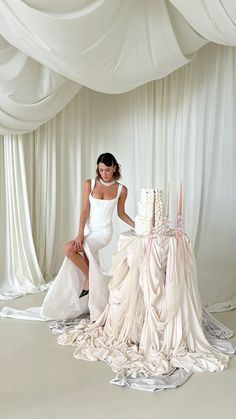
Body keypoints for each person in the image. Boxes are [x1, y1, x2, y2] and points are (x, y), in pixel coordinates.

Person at [41, 153, 134, 321]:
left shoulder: (122, 189)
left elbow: (121, 213)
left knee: (69, 249)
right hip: (88, 231)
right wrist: (79, 233)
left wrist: (138, 225)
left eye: (107, 169)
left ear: (114, 167)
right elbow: (84, 210)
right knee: (70, 248)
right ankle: (90, 278)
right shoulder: (89, 184)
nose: (104, 173)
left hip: (104, 233)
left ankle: (89, 278)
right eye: (100, 169)